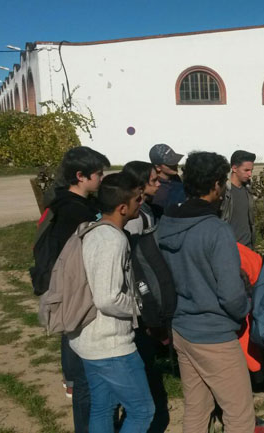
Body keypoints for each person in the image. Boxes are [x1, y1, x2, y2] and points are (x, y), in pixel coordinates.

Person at [158, 151, 255, 433]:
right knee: (239, 413)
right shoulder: (215, 230)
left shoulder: (167, 222)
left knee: (197, 408)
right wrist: (244, 308)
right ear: (216, 185)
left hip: (182, 328)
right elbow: (231, 295)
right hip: (214, 334)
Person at [68, 172, 155, 433]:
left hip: (88, 340)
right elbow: (107, 298)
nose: (142, 203)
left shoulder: (91, 229)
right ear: (122, 207)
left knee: (102, 407)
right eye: (138, 199)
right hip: (111, 346)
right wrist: (138, 307)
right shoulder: (113, 240)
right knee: (143, 411)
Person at [42, 146, 109, 432]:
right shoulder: (73, 212)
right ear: (81, 176)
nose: (102, 179)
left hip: (72, 289)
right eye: (98, 174)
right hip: (75, 289)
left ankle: (72, 380)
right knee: (84, 372)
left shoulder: (65, 203)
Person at [122, 161, 170, 433]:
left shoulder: (146, 212)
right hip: (139, 301)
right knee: (143, 357)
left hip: (142, 301)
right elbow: (141, 265)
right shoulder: (136, 220)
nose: (159, 183)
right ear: (140, 186)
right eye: (153, 180)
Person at [221, 150, 256, 248]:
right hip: (230, 248)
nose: (250, 174)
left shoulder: (248, 189)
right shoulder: (224, 191)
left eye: (251, 170)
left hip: (248, 247)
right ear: (234, 168)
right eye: (246, 170)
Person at [149, 143, 186, 216]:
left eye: (175, 160)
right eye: (170, 163)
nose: (175, 164)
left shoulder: (175, 177)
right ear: (158, 167)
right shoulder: (157, 190)